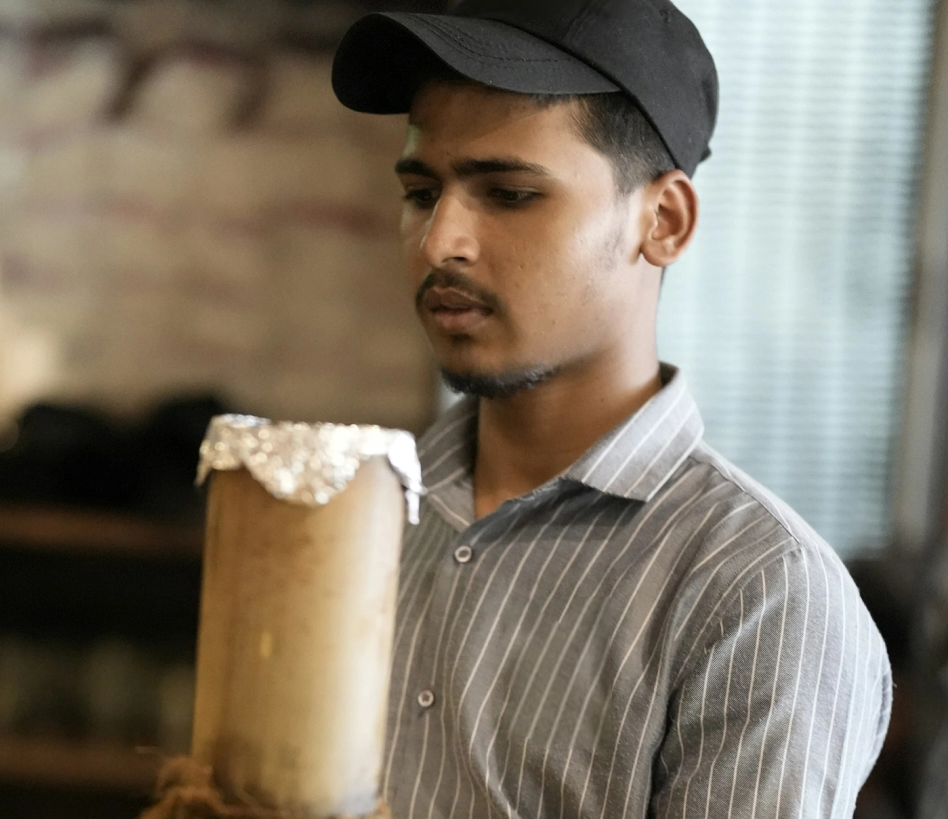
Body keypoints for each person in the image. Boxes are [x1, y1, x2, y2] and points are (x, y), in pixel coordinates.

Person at [330, 2, 892, 818]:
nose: (439, 240)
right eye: (421, 192)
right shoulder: (366, 516)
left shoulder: (758, 597)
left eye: (510, 193)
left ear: (661, 221)